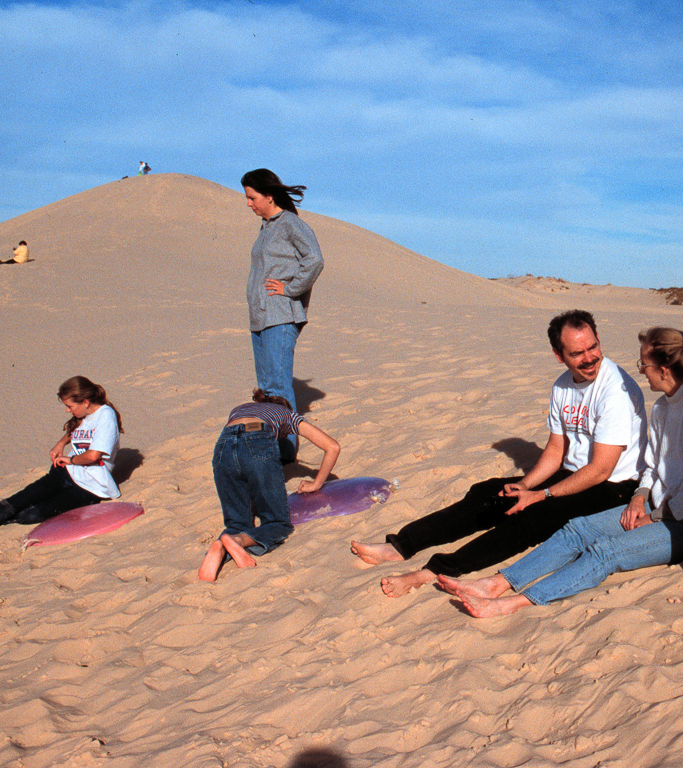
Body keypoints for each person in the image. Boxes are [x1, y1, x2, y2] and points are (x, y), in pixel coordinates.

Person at [350, 310, 648, 597]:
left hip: (613, 488)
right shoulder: (562, 387)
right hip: (571, 475)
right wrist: (527, 486)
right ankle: (402, 545)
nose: (589, 358)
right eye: (577, 353)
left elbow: (600, 470)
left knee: (532, 517)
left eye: (592, 347)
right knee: (490, 494)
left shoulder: (615, 389)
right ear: (559, 355)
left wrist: (541, 496)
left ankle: (435, 570)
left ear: (597, 337)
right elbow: (556, 449)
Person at [439, 327, 683, 617]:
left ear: (664, 370)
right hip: (658, 504)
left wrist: (654, 517)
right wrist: (639, 498)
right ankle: (496, 583)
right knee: (577, 529)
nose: (641, 371)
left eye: (644, 364)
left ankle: (512, 603)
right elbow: (652, 465)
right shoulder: (664, 407)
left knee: (605, 552)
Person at [0, 377, 123, 551]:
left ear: (86, 402)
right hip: (63, 474)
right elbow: (77, 428)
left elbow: (93, 456)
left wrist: (71, 459)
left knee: (30, 515)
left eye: (69, 405)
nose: (67, 410)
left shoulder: (106, 416)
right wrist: (61, 443)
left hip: (88, 488)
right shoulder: (84, 414)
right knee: (10, 504)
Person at [198, 389, 340, 581]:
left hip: (223, 445)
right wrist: (316, 483)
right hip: (258, 438)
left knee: (237, 523)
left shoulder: (240, 410)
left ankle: (220, 547)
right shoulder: (287, 414)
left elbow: (240, 460)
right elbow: (332, 446)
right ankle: (236, 540)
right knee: (278, 523)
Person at [241, 168, 325, 464]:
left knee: (277, 385)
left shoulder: (289, 223)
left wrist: (291, 289)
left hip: (280, 316)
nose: (248, 203)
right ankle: (273, 442)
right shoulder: (266, 227)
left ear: (269, 196)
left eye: (252, 198)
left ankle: (287, 447)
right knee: (265, 387)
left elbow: (314, 259)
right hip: (260, 318)